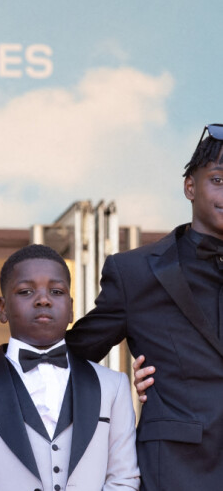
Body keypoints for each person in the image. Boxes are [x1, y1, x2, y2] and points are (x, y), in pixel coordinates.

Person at [66, 124, 223, 490]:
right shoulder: (135, 272)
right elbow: (73, 355)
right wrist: (119, 392)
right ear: (190, 186)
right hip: (176, 466)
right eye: (218, 179)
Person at [0, 244, 140, 491]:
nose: (43, 300)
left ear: (71, 308)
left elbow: (124, 479)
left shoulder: (113, 386)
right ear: (2, 308)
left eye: (56, 291)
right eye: (26, 291)